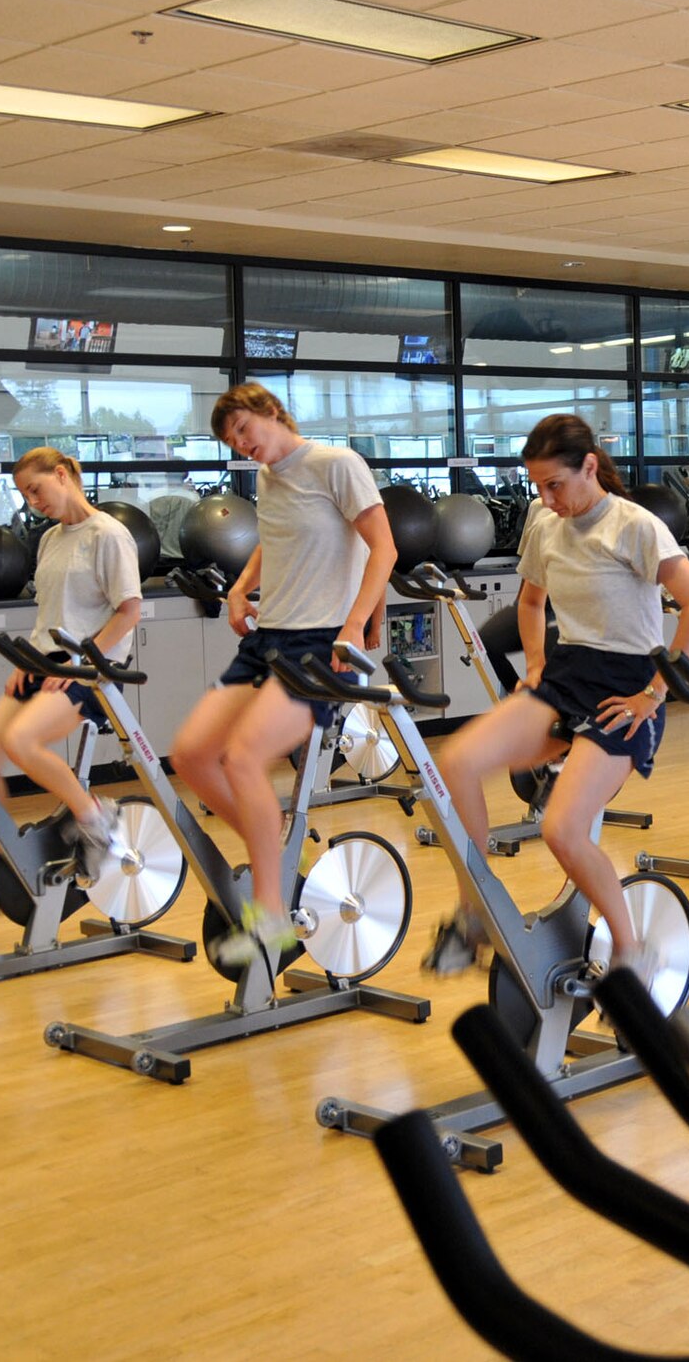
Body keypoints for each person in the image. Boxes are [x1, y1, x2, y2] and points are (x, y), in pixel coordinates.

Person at [424, 413, 689, 980]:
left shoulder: (635, 526)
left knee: (561, 830)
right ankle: (474, 914)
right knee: (453, 763)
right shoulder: (545, 524)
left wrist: (655, 694)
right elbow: (530, 605)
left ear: (589, 466)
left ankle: (631, 952)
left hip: (627, 688)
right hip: (567, 676)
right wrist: (534, 665)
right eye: (537, 486)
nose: (546, 497)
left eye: (554, 484)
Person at [168, 384, 396, 964]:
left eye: (245, 430)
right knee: (191, 755)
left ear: (271, 412)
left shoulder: (336, 464)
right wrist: (242, 589)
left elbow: (384, 549)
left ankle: (270, 914)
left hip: (319, 641)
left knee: (243, 756)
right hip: (270, 635)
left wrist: (354, 625)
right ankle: (269, 849)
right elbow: (274, 540)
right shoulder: (270, 477)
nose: (242, 446)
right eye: (230, 441)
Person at [0, 449, 140, 899]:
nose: (32, 501)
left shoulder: (109, 534)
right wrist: (27, 661)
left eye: (35, 489)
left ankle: (95, 818)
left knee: (20, 741)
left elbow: (130, 610)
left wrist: (82, 663)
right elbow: (50, 613)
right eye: (24, 494)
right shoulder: (49, 539)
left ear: (62, 475)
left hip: (91, 668)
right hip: (44, 662)